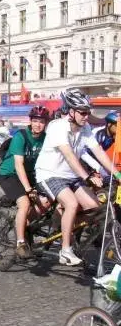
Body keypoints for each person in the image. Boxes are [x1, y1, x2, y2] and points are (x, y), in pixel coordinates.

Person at [35, 88, 121, 266]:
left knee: (94, 207)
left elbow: (99, 153)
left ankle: (63, 224)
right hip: (50, 174)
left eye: (88, 112)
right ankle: (65, 250)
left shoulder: (86, 127)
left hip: (70, 176)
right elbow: (69, 156)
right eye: (83, 112)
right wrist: (87, 176)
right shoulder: (57, 126)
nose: (86, 116)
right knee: (72, 203)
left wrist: (117, 174)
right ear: (71, 111)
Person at [0, 106, 52, 258]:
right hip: (9, 174)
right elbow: (18, 164)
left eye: (41, 121)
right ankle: (20, 242)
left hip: (30, 175)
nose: (38, 125)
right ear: (30, 121)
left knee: (47, 201)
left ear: (46, 123)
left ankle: (24, 223)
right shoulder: (21, 136)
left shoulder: (45, 138)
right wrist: (28, 189)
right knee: (25, 203)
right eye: (35, 121)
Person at [81, 111, 120, 176]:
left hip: (94, 158)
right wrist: (98, 168)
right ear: (109, 124)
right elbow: (87, 153)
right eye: (117, 125)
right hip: (83, 158)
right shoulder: (99, 133)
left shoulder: (113, 135)